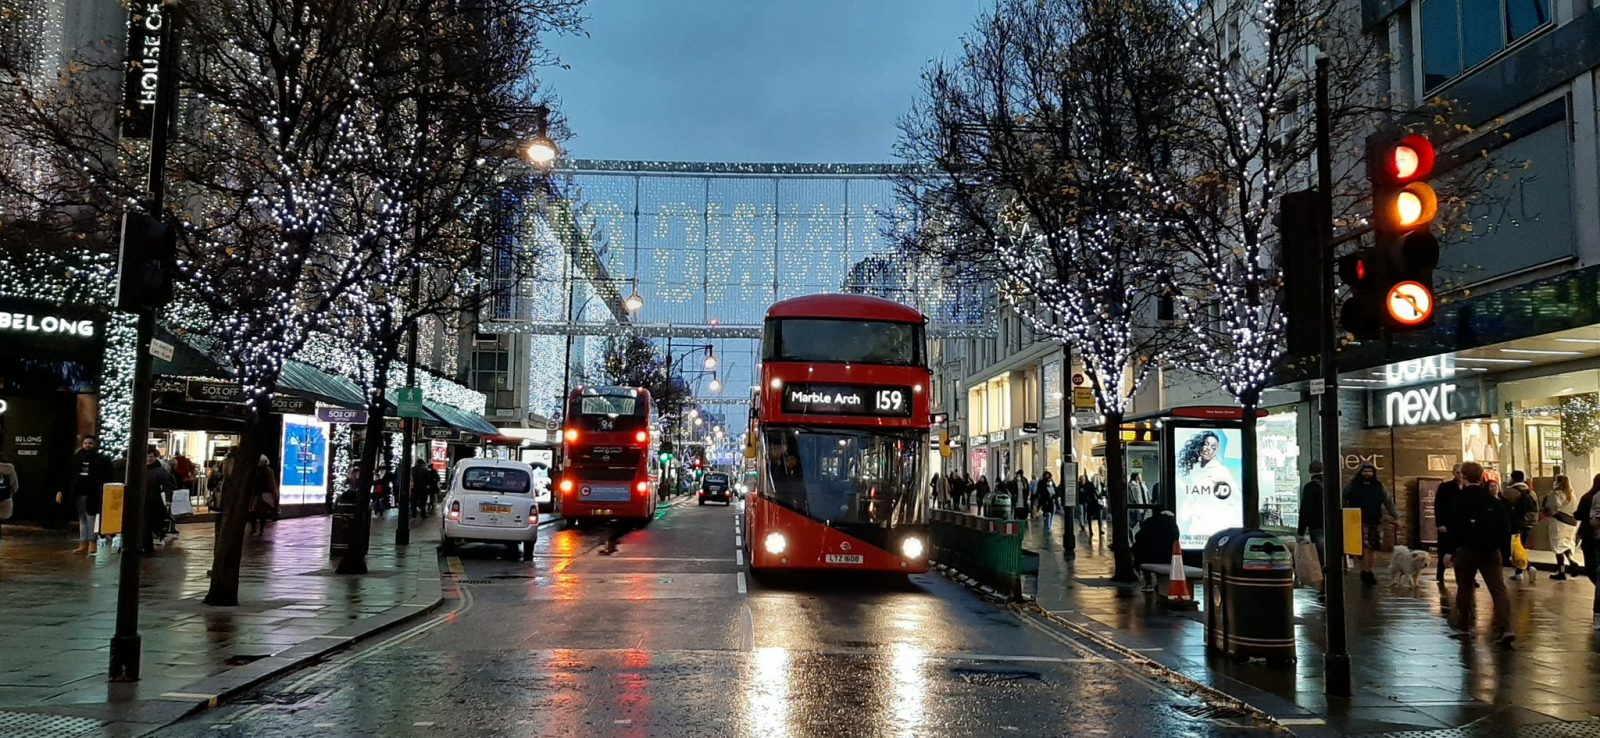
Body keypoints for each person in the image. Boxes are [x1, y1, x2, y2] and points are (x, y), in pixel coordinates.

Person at [1449, 462, 1514, 644]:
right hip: (1491, 551)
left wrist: (1449, 550)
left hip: (1466, 550)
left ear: (1464, 476)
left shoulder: (1460, 499)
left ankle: (1464, 626)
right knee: (1498, 589)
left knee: (1465, 588)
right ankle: (1506, 627)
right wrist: (1503, 550)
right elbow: (1505, 526)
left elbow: (1455, 526)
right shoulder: (1491, 500)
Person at [1343, 463, 1396, 586]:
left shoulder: (1379, 486)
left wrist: (1396, 517)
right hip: (1356, 520)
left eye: (1370, 471)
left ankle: (1368, 571)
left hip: (1374, 520)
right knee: (1361, 548)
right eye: (1365, 471)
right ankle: (1365, 570)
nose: (1367, 474)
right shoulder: (1352, 486)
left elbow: (1388, 502)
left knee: (1372, 547)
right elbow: (1343, 500)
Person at [58, 435, 113, 555]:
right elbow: (67, 476)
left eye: (90, 443)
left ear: (94, 445)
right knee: (82, 518)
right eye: (85, 443)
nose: (87, 445)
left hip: (93, 493)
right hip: (78, 493)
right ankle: (83, 543)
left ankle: (91, 543)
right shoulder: (75, 459)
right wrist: (61, 491)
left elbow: (108, 477)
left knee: (90, 518)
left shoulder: (101, 460)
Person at [1133, 510, 1181, 592]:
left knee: (1143, 556)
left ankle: (1148, 583)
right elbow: (1176, 537)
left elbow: (1138, 537)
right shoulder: (1171, 524)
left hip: (1149, 556)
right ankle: (1160, 583)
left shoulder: (1148, 522)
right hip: (1167, 556)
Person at [1543, 474, 1579, 580]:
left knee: (1558, 546)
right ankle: (1572, 560)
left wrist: (1547, 510)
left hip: (1559, 522)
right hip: (1571, 522)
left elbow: (1555, 507)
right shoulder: (1572, 494)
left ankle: (1561, 571)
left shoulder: (1556, 493)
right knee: (1567, 544)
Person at [1504, 470, 1538, 581]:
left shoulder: (1509, 492)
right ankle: (1520, 572)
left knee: (1516, 548)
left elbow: (1503, 509)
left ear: (1513, 478)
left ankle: (1528, 568)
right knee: (1521, 547)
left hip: (1515, 524)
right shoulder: (1532, 492)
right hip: (1530, 523)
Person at [143, 446, 177, 554]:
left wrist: (168, 501)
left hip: (153, 501)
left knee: (147, 524)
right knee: (145, 525)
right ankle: (147, 546)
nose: (149, 458)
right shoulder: (143, 469)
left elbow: (167, 487)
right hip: (145, 501)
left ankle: (148, 547)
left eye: (151, 456)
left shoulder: (160, 471)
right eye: (147, 456)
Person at [1433, 464, 1464, 583]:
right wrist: (1440, 523)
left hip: (1462, 525)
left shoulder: (1468, 488)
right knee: (1444, 550)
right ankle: (1440, 574)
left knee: (1463, 551)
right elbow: (1438, 506)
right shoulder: (1445, 487)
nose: (1460, 475)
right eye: (1457, 472)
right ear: (1453, 473)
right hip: (1447, 524)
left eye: (1462, 473)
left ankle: (1466, 577)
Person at [1576, 474, 1600, 627]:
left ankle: (1598, 613)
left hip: (1592, 537)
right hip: (1593, 537)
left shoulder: (1590, 496)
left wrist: (1591, 521)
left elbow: (1592, 519)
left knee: (1594, 570)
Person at [1297, 461, 1326, 565]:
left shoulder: (1310, 487)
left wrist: (1301, 530)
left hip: (1316, 525)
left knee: (1321, 554)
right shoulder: (1331, 484)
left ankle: (1324, 576)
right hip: (1332, 524)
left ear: (1310, 471)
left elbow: (1306, 509)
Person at [248, 455, 279, 535]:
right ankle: (257, 529)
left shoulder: (262, 470)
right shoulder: (267, 470)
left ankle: (257, 529)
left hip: (261, 494)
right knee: (258, 512)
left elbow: (272, 484)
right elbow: (272, 484)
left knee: (259, 512)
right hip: (261, 494)